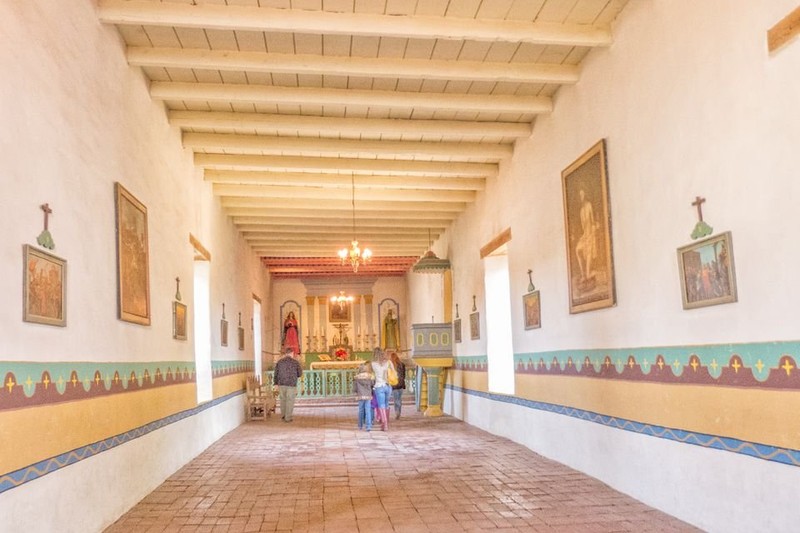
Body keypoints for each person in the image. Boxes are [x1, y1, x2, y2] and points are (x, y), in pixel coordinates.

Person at [575, 188, 599, 284]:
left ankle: (588, 274)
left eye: (582, 194)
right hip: (585, 234)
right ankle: (584, 274)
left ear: (585, 195)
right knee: (577, 250)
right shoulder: (581, 211)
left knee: (589, 251)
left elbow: (593, 220)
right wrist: (583, 235)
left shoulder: (589, 205)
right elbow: (583, 227)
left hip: (591, 233)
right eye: (580, 195)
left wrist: (593, 230)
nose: (581, 197)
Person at [274, 347, 303, 422]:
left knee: (283, 400)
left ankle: (283, 416)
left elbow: (276, 374)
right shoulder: (295, 362)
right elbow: (300, 374)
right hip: (291, 384)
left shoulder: (279, 362)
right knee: (290, 400)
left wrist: (275, 384)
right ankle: (288, 418)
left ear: (285, 353)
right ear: (292, 353)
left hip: (281, 383)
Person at [370, 347, 396, 431]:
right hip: (388, 386)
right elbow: (394, 372)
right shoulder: (388, 362)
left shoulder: (373, 364)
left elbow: (370, 375)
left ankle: (384, 425)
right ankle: (386, 422)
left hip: (379, 386)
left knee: (381, 405)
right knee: (387, 404)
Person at [353, 363, 375, 431]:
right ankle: (368, 426)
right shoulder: (370, 376)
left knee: (361, 410)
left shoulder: (356, 377)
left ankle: (360, 425)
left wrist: (357, 391)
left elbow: (355, 389)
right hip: (368, 395)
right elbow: (372, 384)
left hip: (360, 395)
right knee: (368, 410)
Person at [389, 351, 406, 420]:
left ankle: (397, 412)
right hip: (401, 384)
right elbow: (404, 375)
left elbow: (389, 375)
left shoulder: (390, 365)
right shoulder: (402, 364)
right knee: (399, 399)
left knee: (396, 400)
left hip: (394, 384)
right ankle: (399, 412)